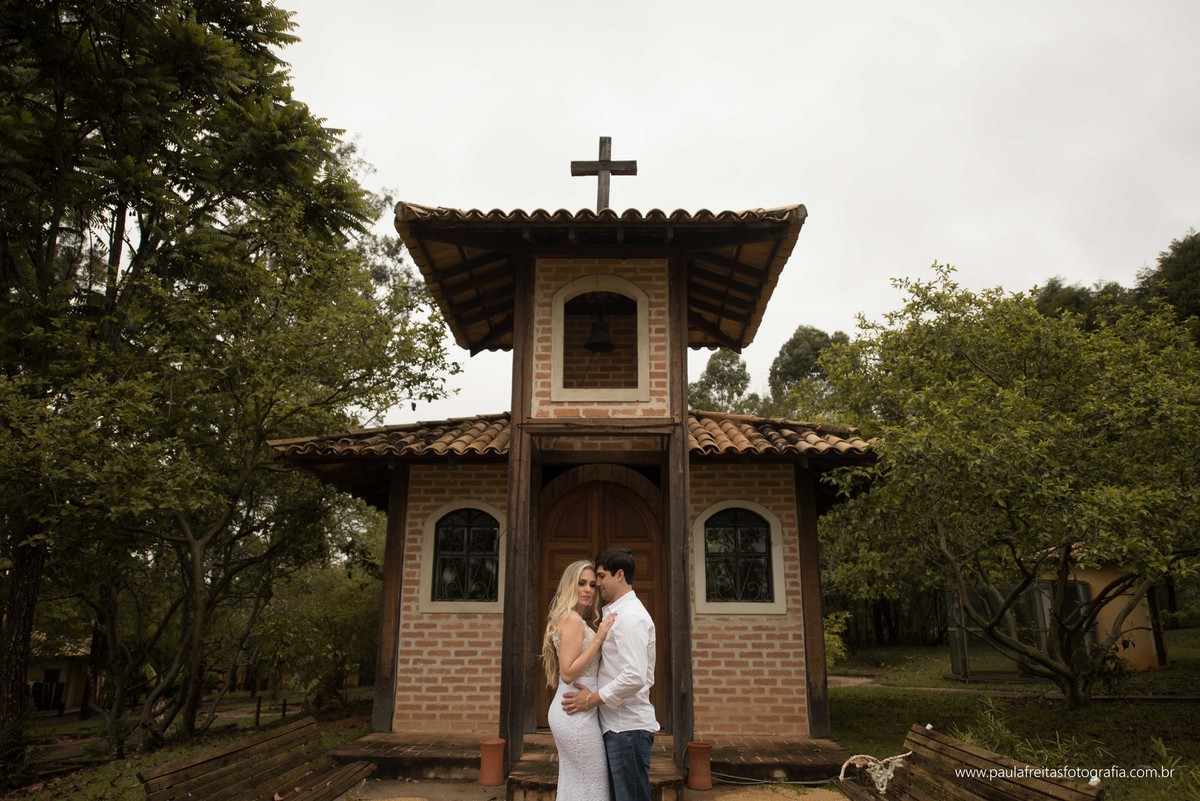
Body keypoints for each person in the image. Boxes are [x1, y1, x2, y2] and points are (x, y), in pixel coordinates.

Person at [562, 547, 658, 801]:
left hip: (628, 728)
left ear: (619, 575)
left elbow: (634, 676)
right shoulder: (618, 613)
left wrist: (592, 699)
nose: (597, 585)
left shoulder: (630, 617)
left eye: (601, 577)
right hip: (616, 727)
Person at [541, 560, 616, 801]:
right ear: (569, 585)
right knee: (593, 783)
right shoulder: (572, 619)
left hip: (576, 709)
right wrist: (599, 638)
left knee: (577, 784)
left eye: (593, 584)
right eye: (581, 583)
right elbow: (568, 673)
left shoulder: (574, 619)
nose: (588, 590)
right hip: (574, 712)